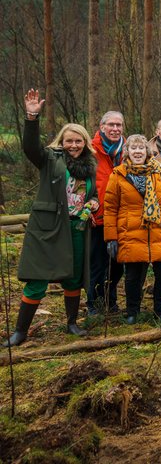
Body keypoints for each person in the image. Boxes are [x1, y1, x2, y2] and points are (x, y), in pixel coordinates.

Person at [4, 90, 99, 347]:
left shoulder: (90, 165)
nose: (74, 145)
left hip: (77, 227)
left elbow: (92, 194)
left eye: (78, 141)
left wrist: (93, 202)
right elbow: (29, 147)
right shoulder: (49, 158)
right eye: (69, 141)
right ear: (61, 141)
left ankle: (71, 323)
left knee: (73, 277)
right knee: (37, 279)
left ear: (85, 143)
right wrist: (31, 117)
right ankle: (20, 332)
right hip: (48, 227)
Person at [104, 134, 161, 324]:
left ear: (146, 151)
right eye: (133, 148)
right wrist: (111, 237)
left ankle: (160, 311)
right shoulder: (118, 175)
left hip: (159, 231)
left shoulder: (158, 172)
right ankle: (132, 312)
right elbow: (110, 208)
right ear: (127, 152)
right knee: (132, 277)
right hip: (130, 233)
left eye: (140, 148)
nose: (137, 152)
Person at [88, 110, 126, 314]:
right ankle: (93, 304)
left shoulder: (129, 149)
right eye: (111, 125)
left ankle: (110, 301)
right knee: (97, 263)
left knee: (118, 264)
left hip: (123, 218)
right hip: (98, 218)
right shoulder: (90, 150)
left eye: (119, 125)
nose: (115, 128)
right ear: (102, 127)